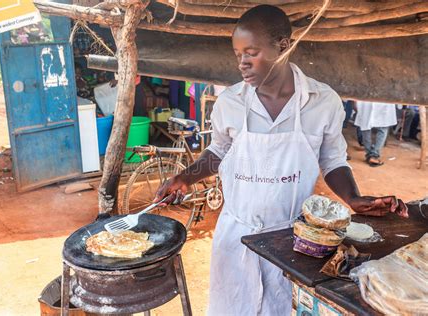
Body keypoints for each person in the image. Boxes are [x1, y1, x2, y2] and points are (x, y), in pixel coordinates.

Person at [154, 5, 408, 315]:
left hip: (293, 241)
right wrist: (185, 177)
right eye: (238, 55)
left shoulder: (321, 101)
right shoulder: (230, 101)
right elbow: (218, 151)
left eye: (252, 53)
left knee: (281, 307)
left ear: (283, 46)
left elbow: (332, 159)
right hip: (237, 236)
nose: (243, 64)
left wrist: (352, 197)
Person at [354, 101, 397, 166]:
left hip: (370, 99)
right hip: (382, 99)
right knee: (382, 127)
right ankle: (374, 155)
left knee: (365, 124)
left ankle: (370, 154)